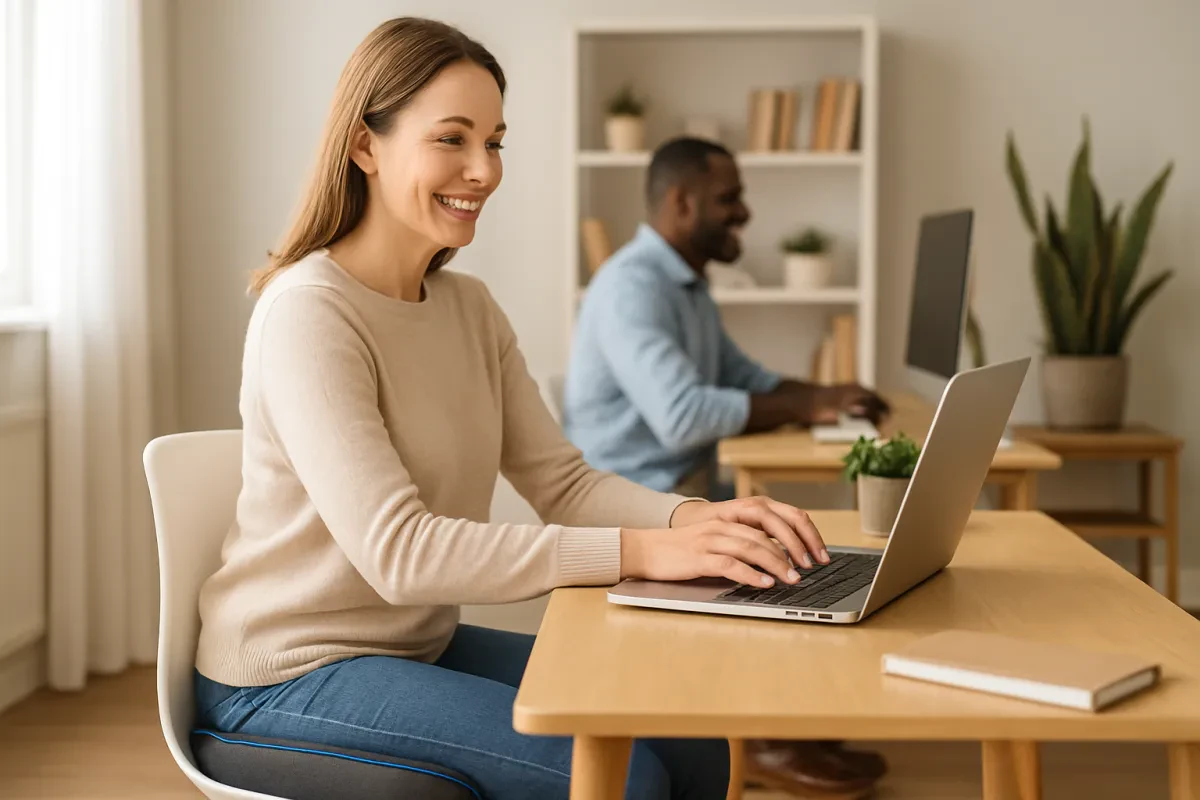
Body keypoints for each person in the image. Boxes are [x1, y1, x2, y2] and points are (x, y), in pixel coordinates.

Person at [191, 18, 846, 800]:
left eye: (494, 142)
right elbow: (401, 554)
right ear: (366, 146)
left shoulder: (468, 308)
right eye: (452, 139)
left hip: (411, 649)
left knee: (692, 736)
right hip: (287, 676)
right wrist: (637, 554)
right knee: (627, 777)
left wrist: (694, 522)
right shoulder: (310, 312)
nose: (482, 170)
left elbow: (562, 483)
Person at [563, 136, 891, 795]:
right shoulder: (633, 286)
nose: (744, 212)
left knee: (805, 539)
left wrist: (826, 399)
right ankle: (757, 740)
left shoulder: (685, 285)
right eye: (730, 198)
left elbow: (747, 377)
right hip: (635, 503)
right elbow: (682, 415)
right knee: (774, 552)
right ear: (683, 204)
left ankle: (777, 717)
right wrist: (816, 402)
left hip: (681, 491)